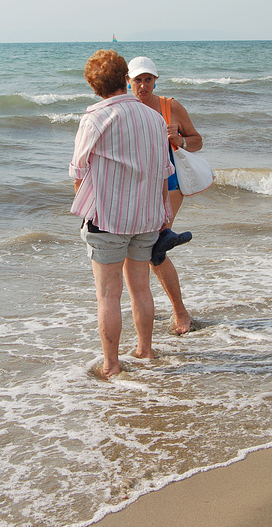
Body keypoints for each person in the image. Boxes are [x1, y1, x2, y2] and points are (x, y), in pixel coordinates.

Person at [69, 50, 174, 380]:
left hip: (108, 219)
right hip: (145, 217)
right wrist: (162, 215)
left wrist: (84, 207)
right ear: (125, 78)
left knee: (108, 295)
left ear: (94, 85)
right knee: (141, 289)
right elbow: (163, 171)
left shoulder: (95, 118)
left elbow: (78, 171)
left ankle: (112, 365)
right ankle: (145, 349)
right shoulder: (153, 118)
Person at [127, 56, 203, 335]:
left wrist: (180, 140)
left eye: (148, 79)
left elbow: (197, 140)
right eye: (138, 80)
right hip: (136, 185)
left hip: (169, 185)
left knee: (154, 248)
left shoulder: (170, 106)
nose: (143, 85)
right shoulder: (125, 108)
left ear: (155, 80)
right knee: (137, 250)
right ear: (128, 81)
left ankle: (179, 312)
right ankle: (145, 308)